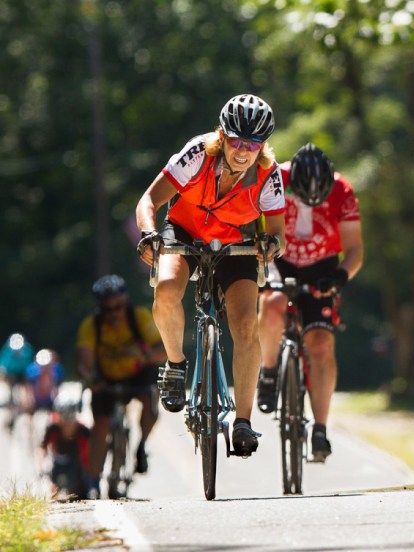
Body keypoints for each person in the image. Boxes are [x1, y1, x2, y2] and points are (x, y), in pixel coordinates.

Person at [135, 93, 285, 458]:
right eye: (235, 141)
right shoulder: (197, 154)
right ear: (222, 135)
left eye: (252, 144)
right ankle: (174, 364)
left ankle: (244, 422)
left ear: (262, 145)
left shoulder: (269, 174)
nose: (243, 150)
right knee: (168, 289)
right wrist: (148, 234)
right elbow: (148, 202)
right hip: (184, 232)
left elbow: (278, 232)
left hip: (235, 243)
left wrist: (271, 246)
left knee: (246, 324)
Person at [256, 143, 363, 462]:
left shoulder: (342, 189)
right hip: (281, 257)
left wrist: (340, 277)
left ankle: (319, 429)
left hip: (323, 266)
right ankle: (270, 369)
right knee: (273, 302)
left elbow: (355, 250)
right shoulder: (276, 178)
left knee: (320, 346)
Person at [76, 274, 167, 498]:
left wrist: (143, 355)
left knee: (151, 403)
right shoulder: (91, 326)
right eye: (108, 309)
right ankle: (93, 481)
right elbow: (84, 364)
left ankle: (142, 446)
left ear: (125, 303)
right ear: (100, 308)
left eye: (119, 307)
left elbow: (163, 350)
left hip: (138, 373)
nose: (114, 313)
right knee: (100, 427)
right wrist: (91, 381)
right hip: (106, 378)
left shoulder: (139, 317)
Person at [39, 394, 91, 500]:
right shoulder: (52, 429)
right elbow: (42, 447)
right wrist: (40, 466)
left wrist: (90, 473)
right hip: (58, 462)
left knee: (81, 489)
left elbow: (88, 454)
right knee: (54, 477)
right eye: (64, 416)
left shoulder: (83, 431)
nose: (67, 422)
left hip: (77, 465)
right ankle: (53, 499)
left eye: (70, 416)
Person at [0, 333, 35, 430]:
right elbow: (4, 363)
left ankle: (28, 401)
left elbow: (29, 364)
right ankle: (12, 399)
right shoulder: (7, 350)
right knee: (11, 386)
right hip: (12, 373)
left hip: (23, 373)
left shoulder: (27, 350)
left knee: (27, 386)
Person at [25, 348, 65, 414]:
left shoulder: (56, 372)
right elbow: (28, 388)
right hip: (36, 401)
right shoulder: (33, 373)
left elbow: (56, 388)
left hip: (49, 401)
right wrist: (29, 400)